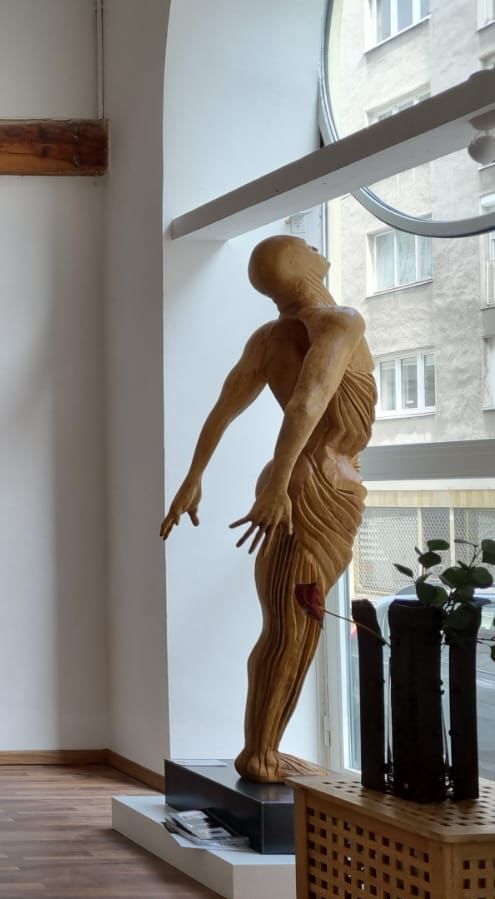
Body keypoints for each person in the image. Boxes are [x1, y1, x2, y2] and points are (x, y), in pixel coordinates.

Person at [160, 235, 375, 783]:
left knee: (285, 622)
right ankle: (261, 755)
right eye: (306, 244)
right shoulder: (340, 322)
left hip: (293, 483)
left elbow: (223, 408)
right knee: (295, 625)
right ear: (300, 265)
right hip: (319, 485)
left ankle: (262, 747)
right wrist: (279, 486)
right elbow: (308, 400)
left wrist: (194, 476)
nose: (318, 247)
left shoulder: (266, 339)